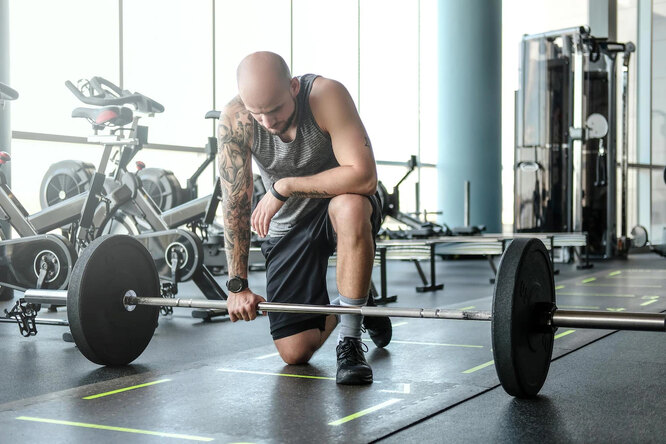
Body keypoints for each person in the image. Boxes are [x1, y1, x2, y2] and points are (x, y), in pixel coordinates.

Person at [217, 51, 392, 385]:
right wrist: (237, 285)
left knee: (350, 206)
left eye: (275, 109)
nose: (267, 122)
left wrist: (285, 186)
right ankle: (358, 296)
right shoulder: (235, 119)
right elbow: (235, 202)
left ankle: (351, 341)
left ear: (293, 87)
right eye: (258, 113)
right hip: (289, 224)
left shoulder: (326, 96)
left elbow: (364, 177)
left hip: (342, 205)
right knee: (295, 353)